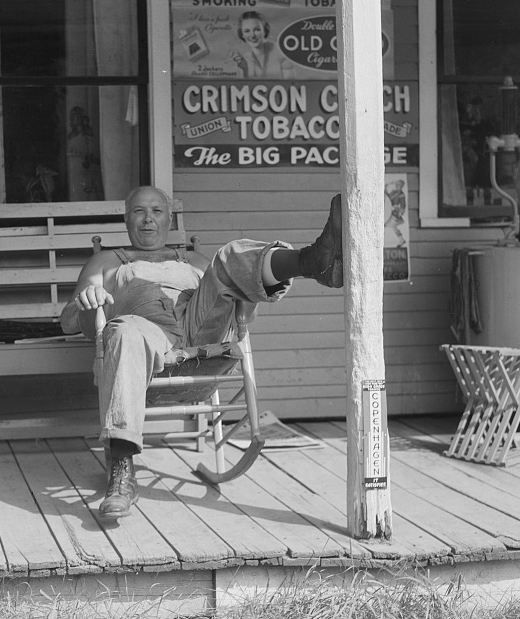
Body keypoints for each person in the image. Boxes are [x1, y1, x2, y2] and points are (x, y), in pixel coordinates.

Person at [60, 186, 343, 519]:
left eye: (157, 211)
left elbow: (246, 315)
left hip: (200, 340)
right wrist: (87, 298)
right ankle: (121, 471)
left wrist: (242, 292)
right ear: (125, 219)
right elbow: (67, 323)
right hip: (144, 338)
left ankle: (311, 262)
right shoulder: (105, 261)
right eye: (138, 211)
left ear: (169, 218)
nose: (148, 220)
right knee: (124, 329)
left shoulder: (192, 260)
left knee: (227, 256)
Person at [231, 11, 290, 79]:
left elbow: (291, 84)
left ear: (264, 30)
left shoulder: (281, 51)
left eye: (257, 29)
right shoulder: (245, 59)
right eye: (247, 31)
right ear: (242, 35)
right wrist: (245, 69)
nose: (252, 35)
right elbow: (246, 87)